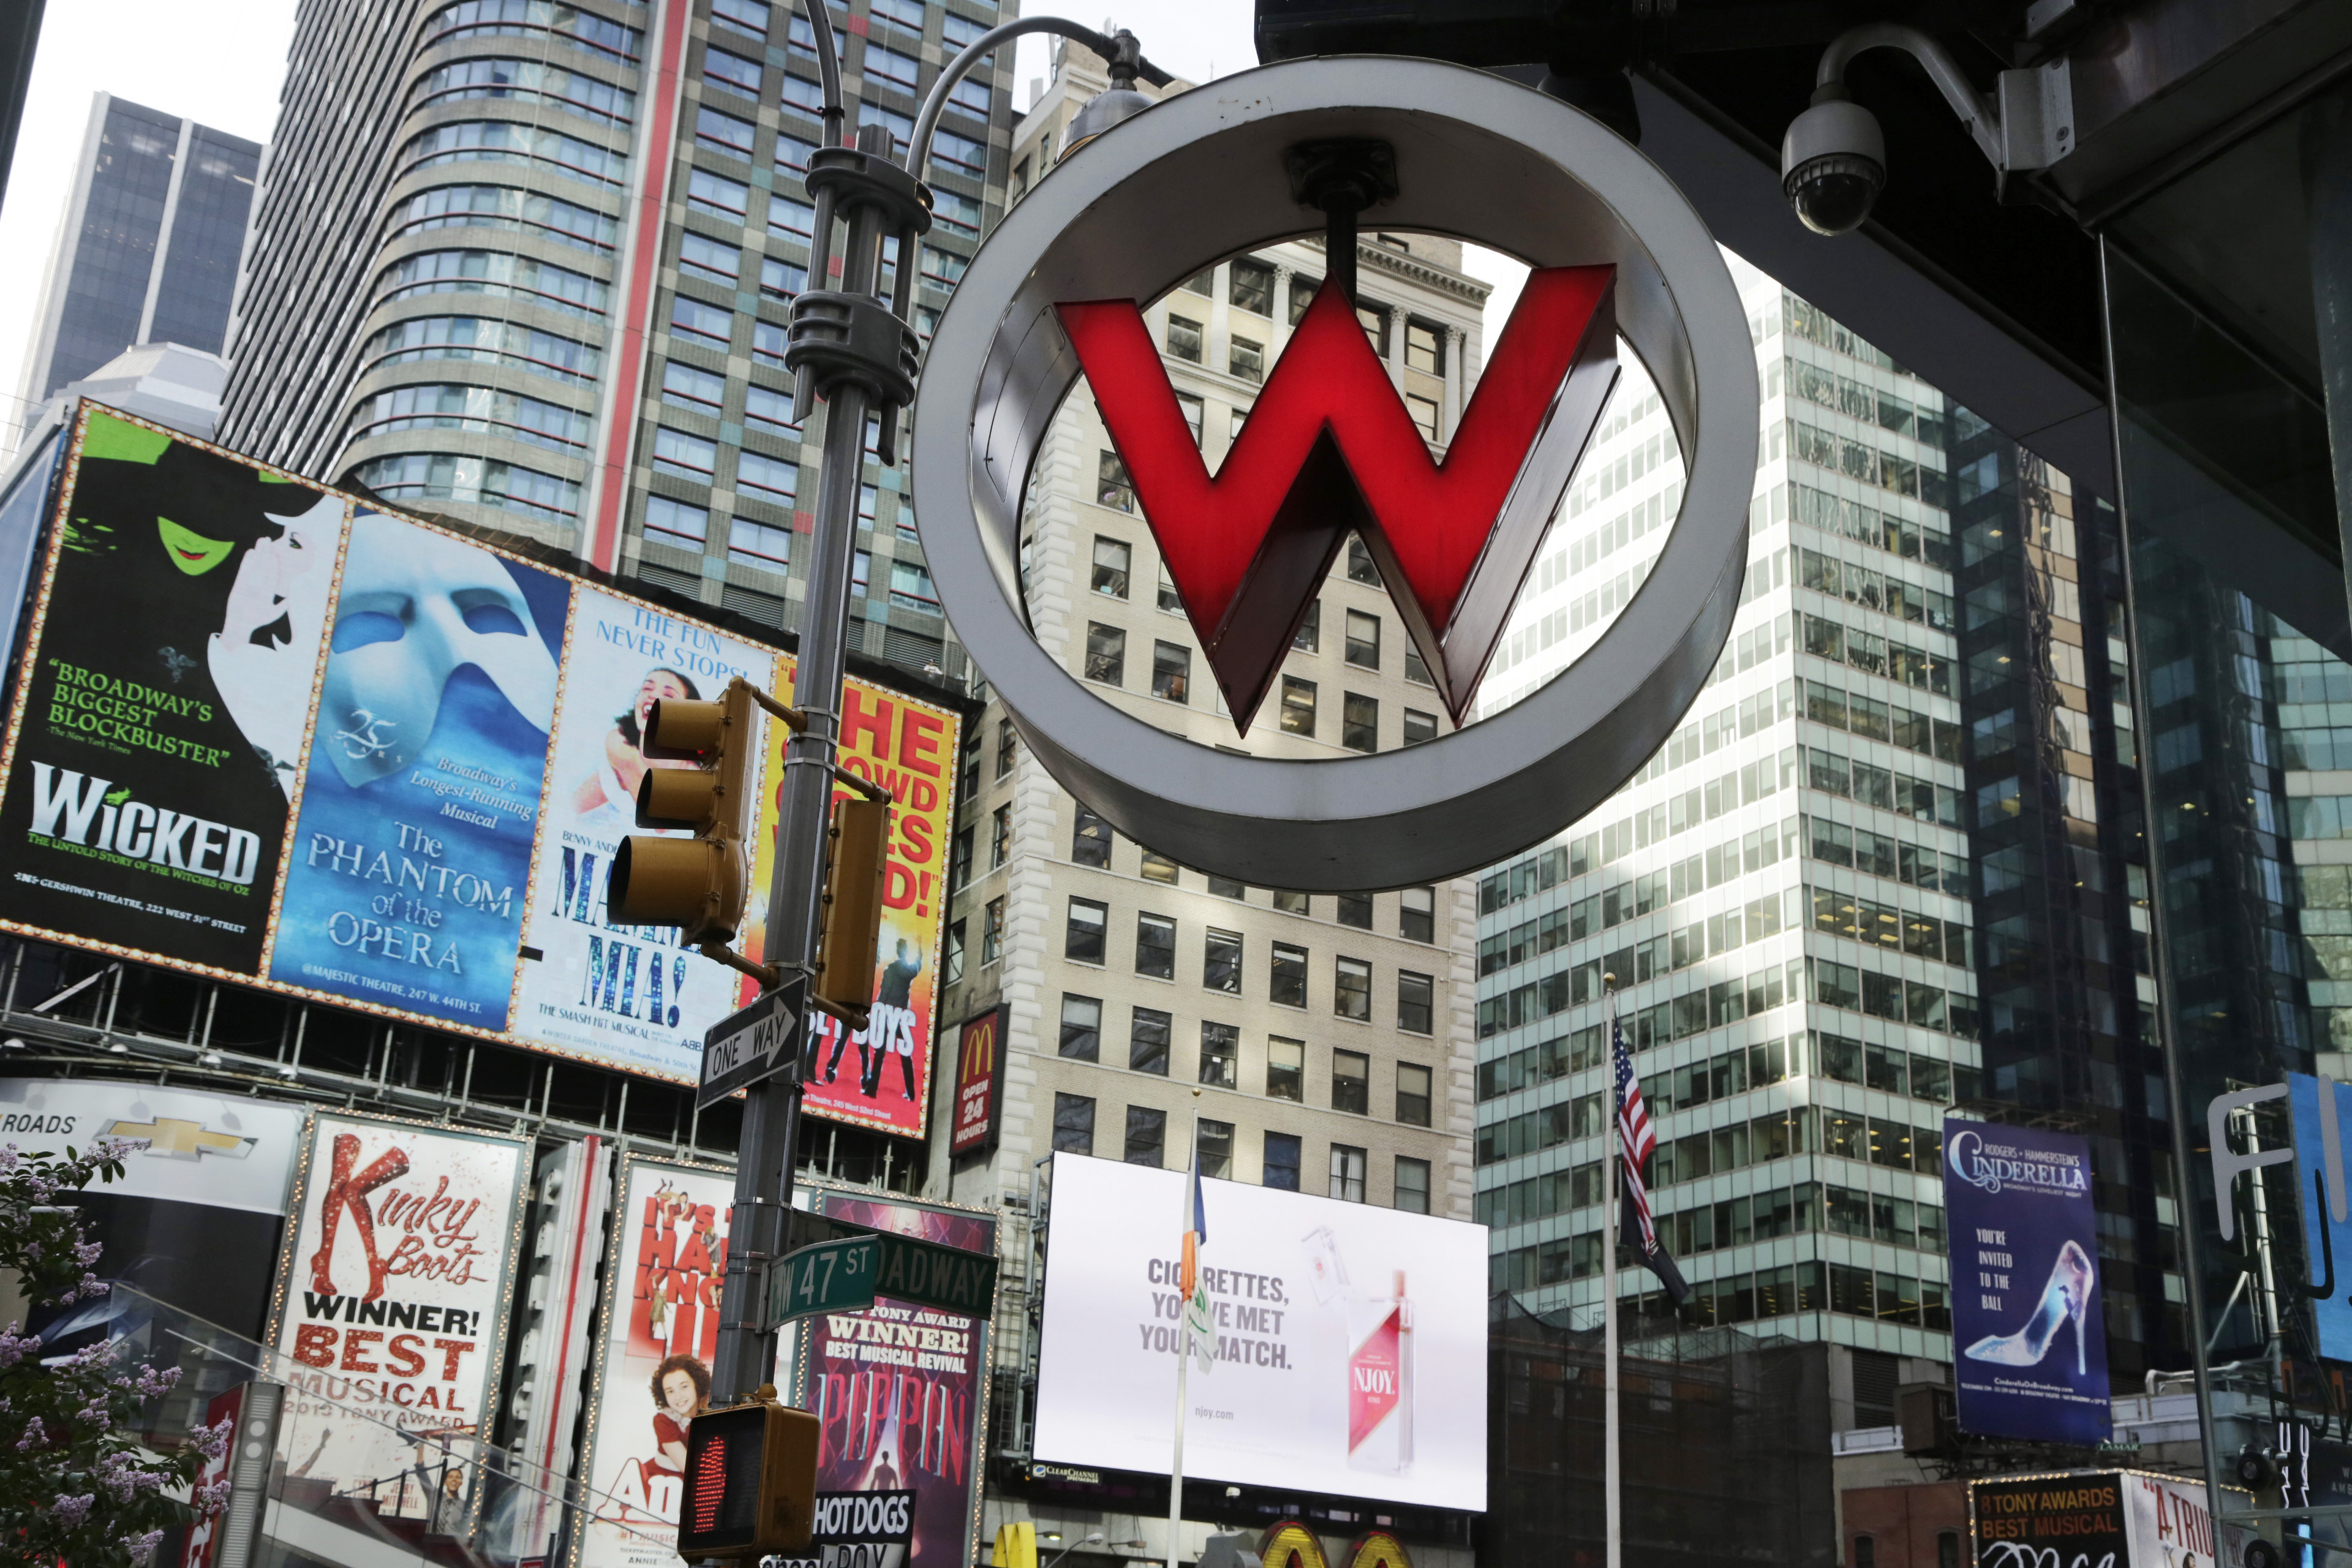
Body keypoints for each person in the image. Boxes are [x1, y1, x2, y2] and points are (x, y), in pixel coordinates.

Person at [574, 668, 702, 824]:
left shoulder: (699, 782)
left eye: (669, 695)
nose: (653, 695)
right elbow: (567, 812)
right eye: (647, 688)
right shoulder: (619, 748)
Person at [862, 938, 923, 1101]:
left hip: (887, 1013)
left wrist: (878, 1010)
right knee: (905, 1054)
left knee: (879, 1052)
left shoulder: (890, 969)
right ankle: (911, 1093)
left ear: (898, 951)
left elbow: (884, 993)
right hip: (901, 1015)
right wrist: (920, 955)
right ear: (905, 952)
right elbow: (916, 969)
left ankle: (872, 1089)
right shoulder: (908, 970)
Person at [646, 1353, 711, 1477]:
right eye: (670, 1391)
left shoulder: (711, 1410)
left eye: (684, 1387)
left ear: (696, 1384)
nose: (678, 1397)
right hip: (663, 1479)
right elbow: (689, 1468)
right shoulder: (663, 1420)